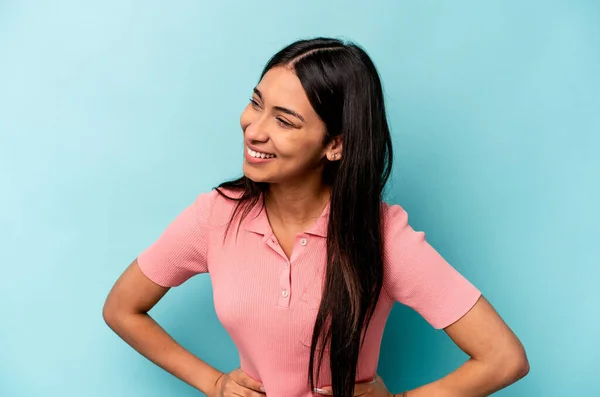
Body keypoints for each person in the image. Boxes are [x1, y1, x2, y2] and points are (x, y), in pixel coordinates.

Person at [102, 37, 529, 397]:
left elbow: (504, 358)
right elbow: (122, 308)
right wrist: (214, 383)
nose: (254, 129)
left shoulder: (381, 235)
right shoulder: (215, 215)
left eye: (284, 121)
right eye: (256, 102)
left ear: (335, 145)